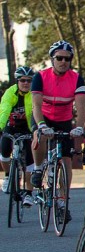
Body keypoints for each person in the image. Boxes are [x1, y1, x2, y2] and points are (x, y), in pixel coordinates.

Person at [29, 41, 85, 214]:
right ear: (52, 59)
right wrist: (40, 125)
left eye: (67, 59)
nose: (63, 61)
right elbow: (36, 106)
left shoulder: (77, 79)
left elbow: (82, 106)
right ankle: (38, 168)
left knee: (67, 160)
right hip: (44, 116)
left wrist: (79, 127)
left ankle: (63, 199)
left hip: (64, 119)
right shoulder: (40, 77)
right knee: (39, 136)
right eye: (59, 58)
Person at [1, 66, 35, 194]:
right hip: (11, 126)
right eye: (22, 80)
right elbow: (4, 111)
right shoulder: (10, 93)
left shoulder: (34, 94)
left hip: (27, 129)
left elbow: (37, 113)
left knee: (30, 158)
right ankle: (7, 175)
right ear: (17, 81)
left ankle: (28, 193)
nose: (26, 83)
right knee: (4, 150)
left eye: (29, 80)